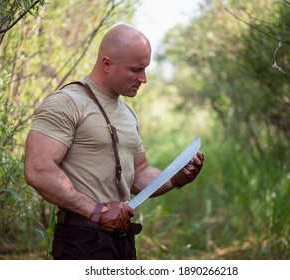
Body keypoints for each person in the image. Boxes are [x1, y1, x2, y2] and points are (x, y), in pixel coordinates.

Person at [24, 24, 204, 260]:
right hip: (80, 239)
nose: (144, 78)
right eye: (136, 70)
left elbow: (139, 174)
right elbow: (38, 170)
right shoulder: (66, 103)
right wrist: (96, 210)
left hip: (122, 240)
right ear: (107, 64)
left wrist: (173, 178)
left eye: (145, 69)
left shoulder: (127, 113)